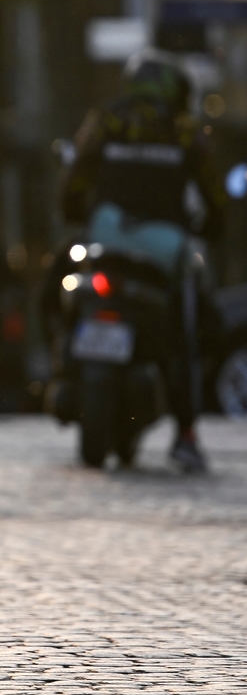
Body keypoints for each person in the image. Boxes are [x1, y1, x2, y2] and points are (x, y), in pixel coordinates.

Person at [57, 51, 223, 472]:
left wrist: (74, 210)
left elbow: (75, 176)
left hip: (105, 237)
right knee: (186, 331)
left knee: (56, 281)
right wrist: (213, 225)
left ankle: (58, 362)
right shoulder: (184, 131)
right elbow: (212, 192)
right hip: (165, 249)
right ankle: (186, 435)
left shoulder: (107, 120)